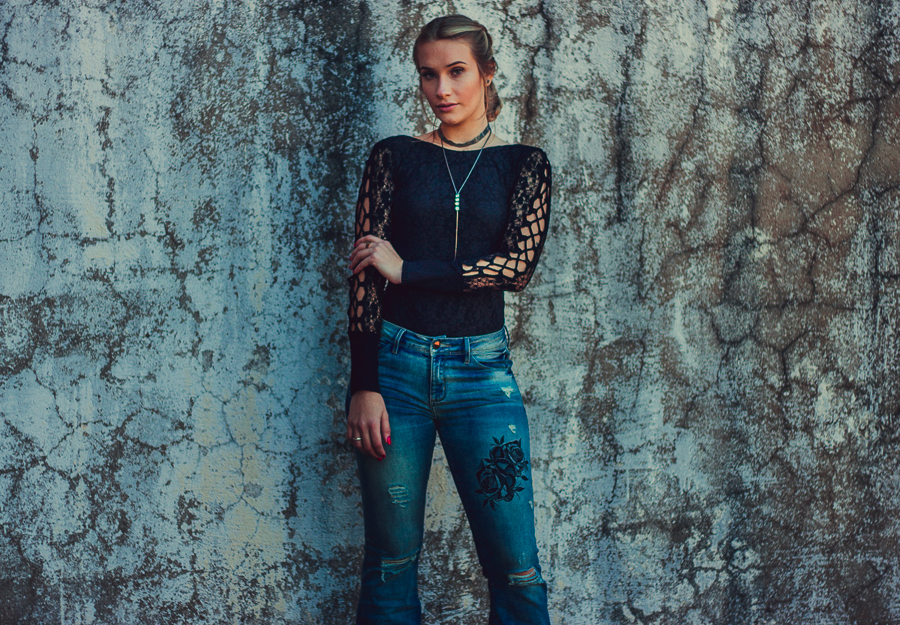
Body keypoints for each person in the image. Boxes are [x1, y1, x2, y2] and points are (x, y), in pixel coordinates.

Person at [345, 14, 552, 625]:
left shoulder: (525, 165)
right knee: (389, 562)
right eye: (429, 75)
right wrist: (364, 382)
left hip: (482, 378)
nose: (443, 89)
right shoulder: (394, 158)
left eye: (457, 72)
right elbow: (364, 278)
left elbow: (514, 267)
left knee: (516, 568)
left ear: (486, 74)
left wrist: (407, 270)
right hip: (396, 371)